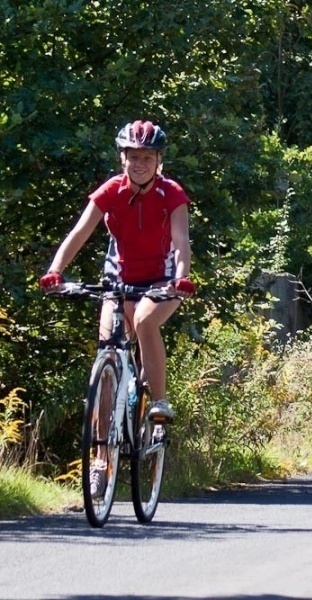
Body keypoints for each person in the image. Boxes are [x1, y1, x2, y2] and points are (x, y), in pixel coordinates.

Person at [39, 120, 195, 497]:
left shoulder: (171, 194)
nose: (138, 163)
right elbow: (79, 232)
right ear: (122, 158)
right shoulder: (111, 190)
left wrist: (182, 277)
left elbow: (180, 243)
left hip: (163, 280)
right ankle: (99, 460)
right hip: (118, 281)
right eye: (131, 156)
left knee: (143, 322)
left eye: (146, 157)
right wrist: (55, 271)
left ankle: (158, 403)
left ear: (158, 160)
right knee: (106, 350)